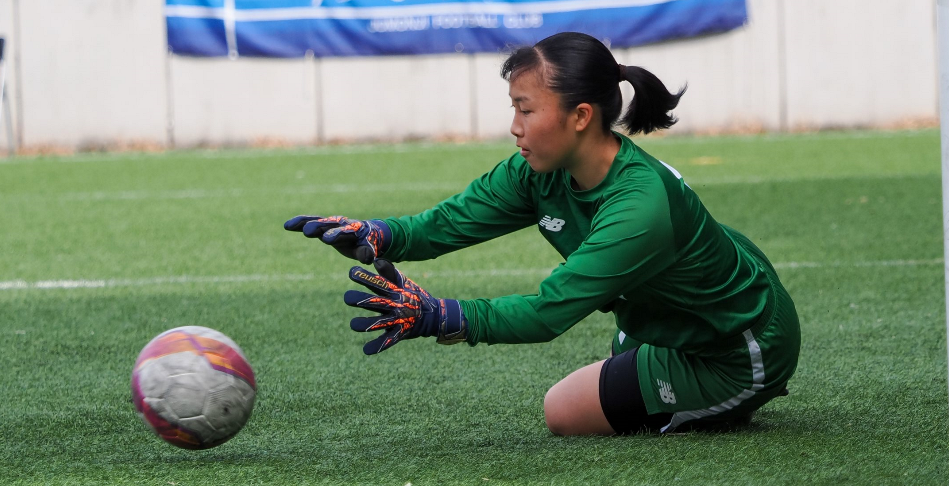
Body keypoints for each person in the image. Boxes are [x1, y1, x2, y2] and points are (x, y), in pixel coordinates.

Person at [285, 31, 801, 436]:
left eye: (526, 109)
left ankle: (730, 401)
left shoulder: (639, 206)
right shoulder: (539, 169)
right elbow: (451, 221)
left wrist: (440, 316)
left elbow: (549, 311)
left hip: (737, 349)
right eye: (514, 107)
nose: (515, 125)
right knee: (619, 363)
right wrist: (380, 235)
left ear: (580, 116)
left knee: (563, 413)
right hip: (674, 314)